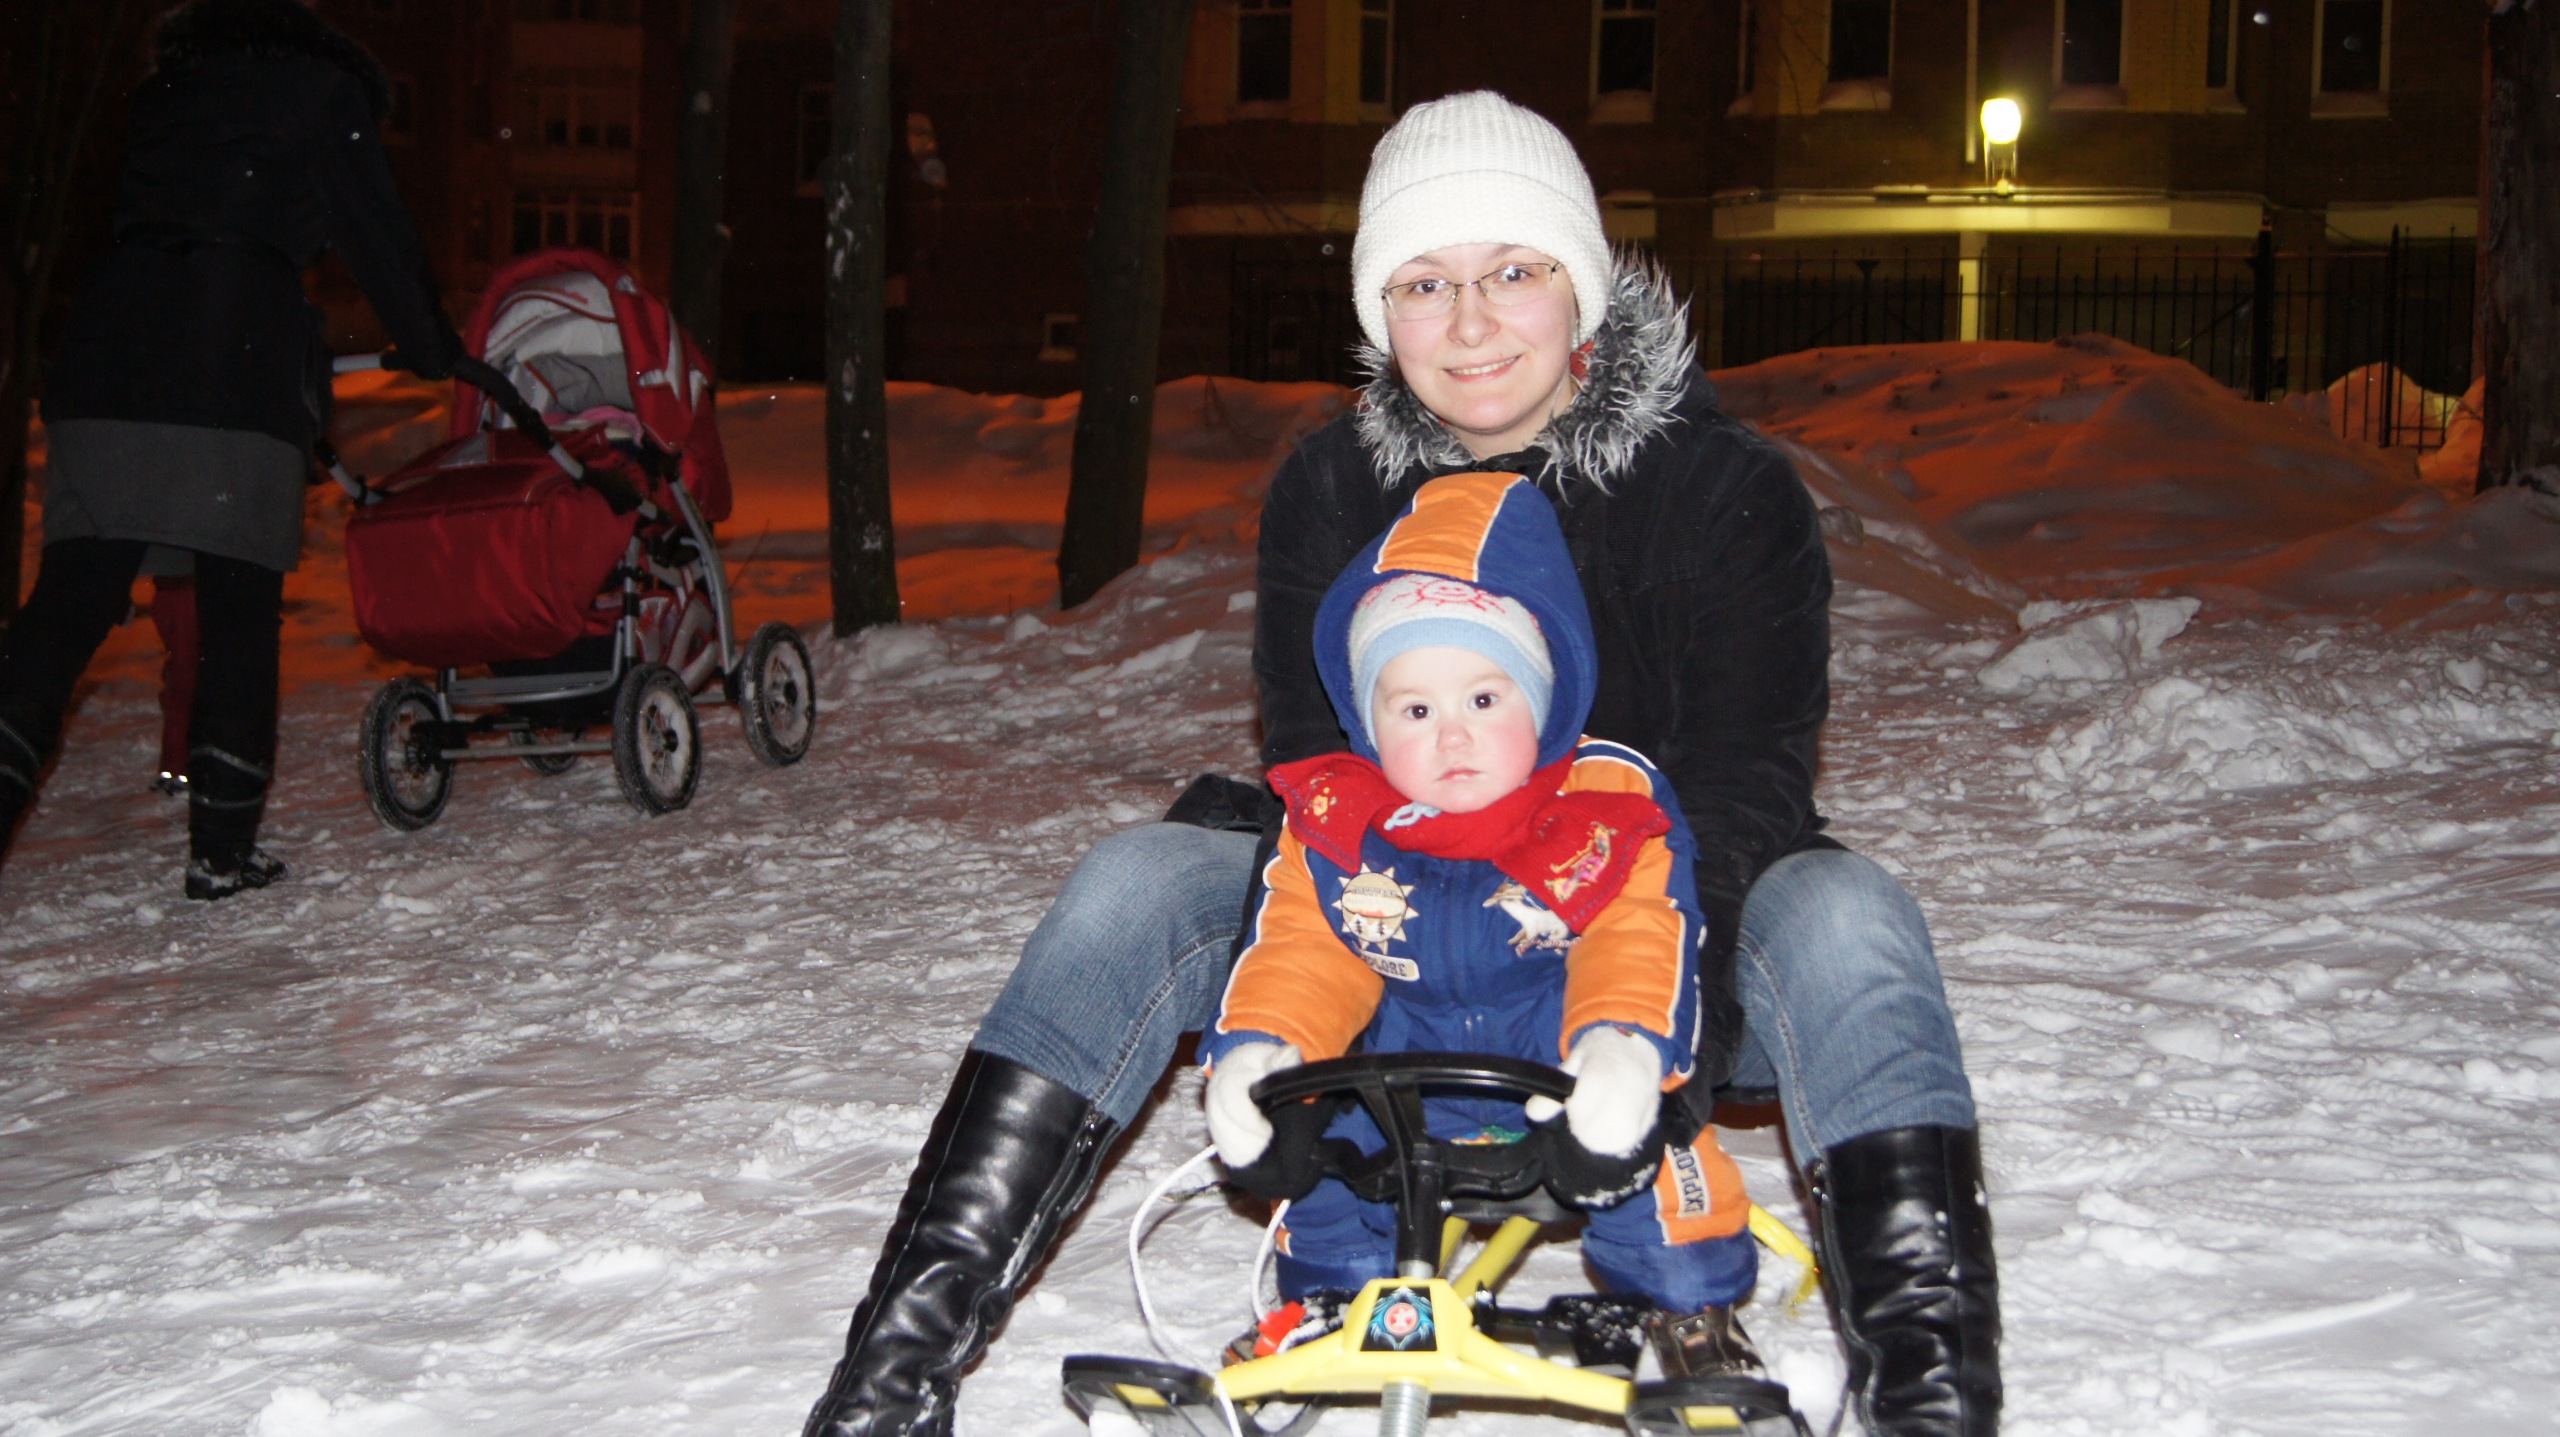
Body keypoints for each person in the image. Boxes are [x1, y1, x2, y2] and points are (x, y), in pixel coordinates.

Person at [803, 90, 1999, 1437]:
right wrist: (1320, 1017)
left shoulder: (1723, 493)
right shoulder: (1334, 489)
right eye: (1425, 284)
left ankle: (1929, 1405)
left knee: (1849, 916)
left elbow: (1744, 779)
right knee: (1137, 879)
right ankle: (890, 1380)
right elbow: (1323, 768)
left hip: (1658, 912)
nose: (1472, 323)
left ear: (1583, 287)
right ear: (1381, 316)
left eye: (1513, 272)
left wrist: (1645, 1034)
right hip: (1400, 912)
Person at [1202, 469, 1769, 1380]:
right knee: (1319, 1165)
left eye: (1484, 699)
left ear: (1541, 697)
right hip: (1402, 1078)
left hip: (1559, 1062)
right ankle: (1328, 1299)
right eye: (1415, 709)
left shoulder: (1600, 808)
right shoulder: (1343, 823)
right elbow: (1304, 948)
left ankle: (1690, 1309)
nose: (1452, 735)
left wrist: (1620, 1047)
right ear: (1367, 721)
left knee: (1659, 1154)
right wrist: (1266, 1051)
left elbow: (1640, 932)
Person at [0, 0, 459, 897]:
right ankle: (220, 846)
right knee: (237, 611)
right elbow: (378, 234)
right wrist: (437, 348)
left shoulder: (164, 94)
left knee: (63, 613)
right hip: (229, 361)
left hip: (108, 360)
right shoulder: (320, 93)